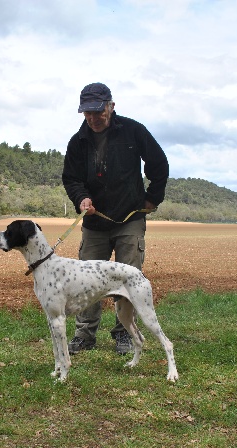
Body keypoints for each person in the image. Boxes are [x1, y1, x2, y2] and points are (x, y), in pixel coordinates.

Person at [62, 82, 170, 355]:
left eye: (99, 112)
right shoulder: (78, 142)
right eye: (87, 114)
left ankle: (124, 334)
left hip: (129, 221)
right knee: (86, 281)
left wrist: (151, 199)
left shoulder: (134, 131)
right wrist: (81, 198)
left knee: (129, 280)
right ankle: (85, 335)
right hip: (95, 223)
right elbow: (71, 179)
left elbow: (159, 164)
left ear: (111, 106)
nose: (93, 119)